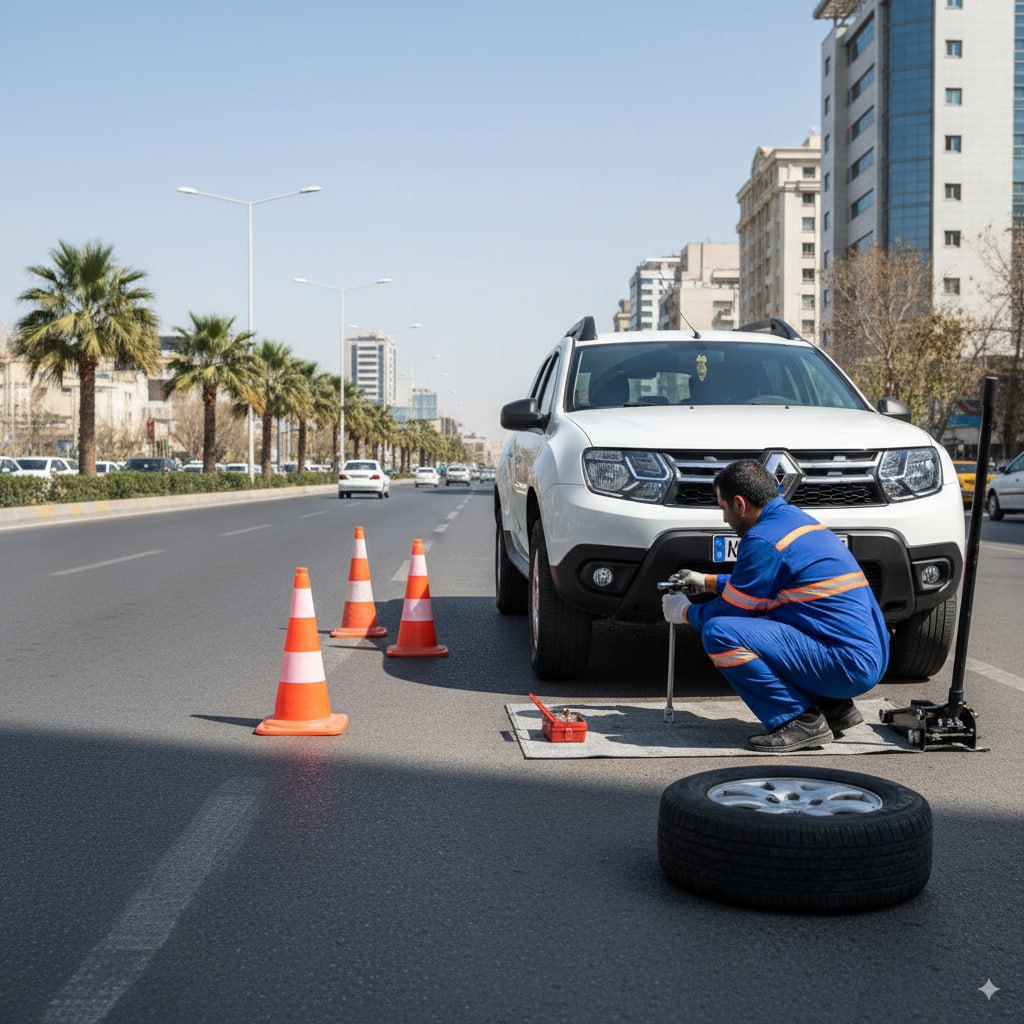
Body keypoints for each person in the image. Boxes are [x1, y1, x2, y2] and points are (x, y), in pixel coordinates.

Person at [662, 459, 889, 752]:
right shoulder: (796, 520)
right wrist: (706, 581)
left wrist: (683, 612)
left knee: (720, 632)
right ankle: (833, 706)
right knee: (773, 614)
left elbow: (731, 611)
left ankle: (801, 721)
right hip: (867, 655)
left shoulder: (761, 540)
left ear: (740, 504)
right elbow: (764, 584)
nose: (724, 519)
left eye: (723, 508)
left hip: (848, 665)